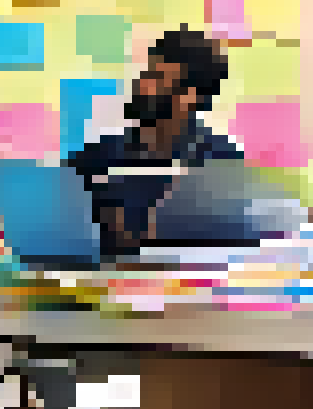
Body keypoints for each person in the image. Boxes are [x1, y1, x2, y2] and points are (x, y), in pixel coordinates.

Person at [68, 27, 243, 254]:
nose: (141, 83)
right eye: (146, 73)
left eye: (156, 77)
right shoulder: (98, 156)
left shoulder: (220, 162)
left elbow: (231, 245)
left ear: (189, 96)